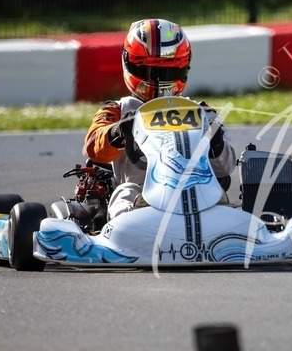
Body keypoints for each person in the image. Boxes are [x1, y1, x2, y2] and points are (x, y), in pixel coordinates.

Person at [84, 18, 236, 219]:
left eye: (169, 71)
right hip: (142, 194)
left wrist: (215, 144)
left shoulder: (201, 112)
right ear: (129, 64)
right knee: (125, 193)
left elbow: (227, 167)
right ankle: (126, 227)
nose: (159, 80)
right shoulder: (118, 111)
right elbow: (93, 148)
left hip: (197, 191)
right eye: (149, 71)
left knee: (222, 199)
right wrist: (118, 131)